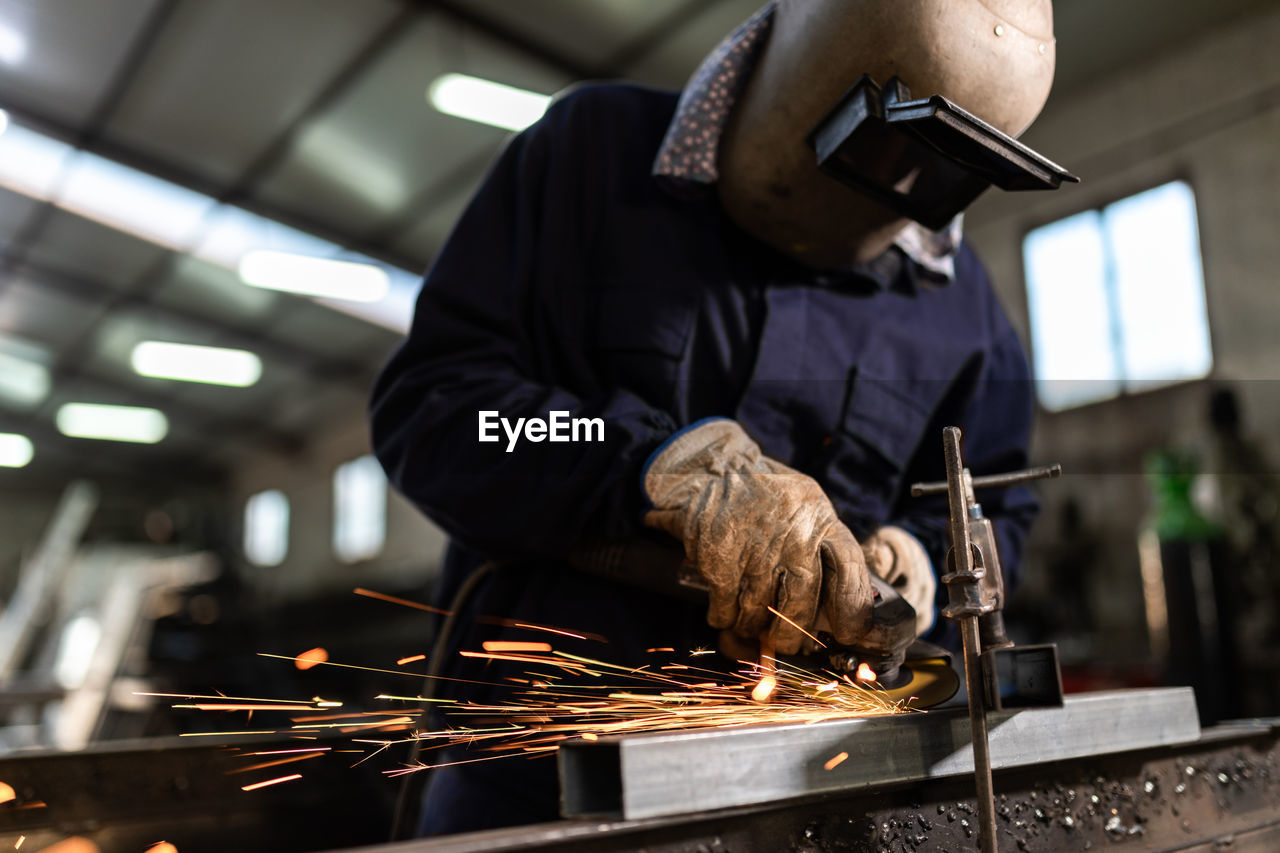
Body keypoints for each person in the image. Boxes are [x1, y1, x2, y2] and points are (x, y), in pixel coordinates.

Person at [370, 0, 1058, 835]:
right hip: (541, 770)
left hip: (826, 783)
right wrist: (655, 468)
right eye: (881, 148)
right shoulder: (592, 158)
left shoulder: (965, 310)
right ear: (808, 66)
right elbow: (444, 411)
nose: (904, 194)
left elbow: (999, 508)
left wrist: (917, 558)